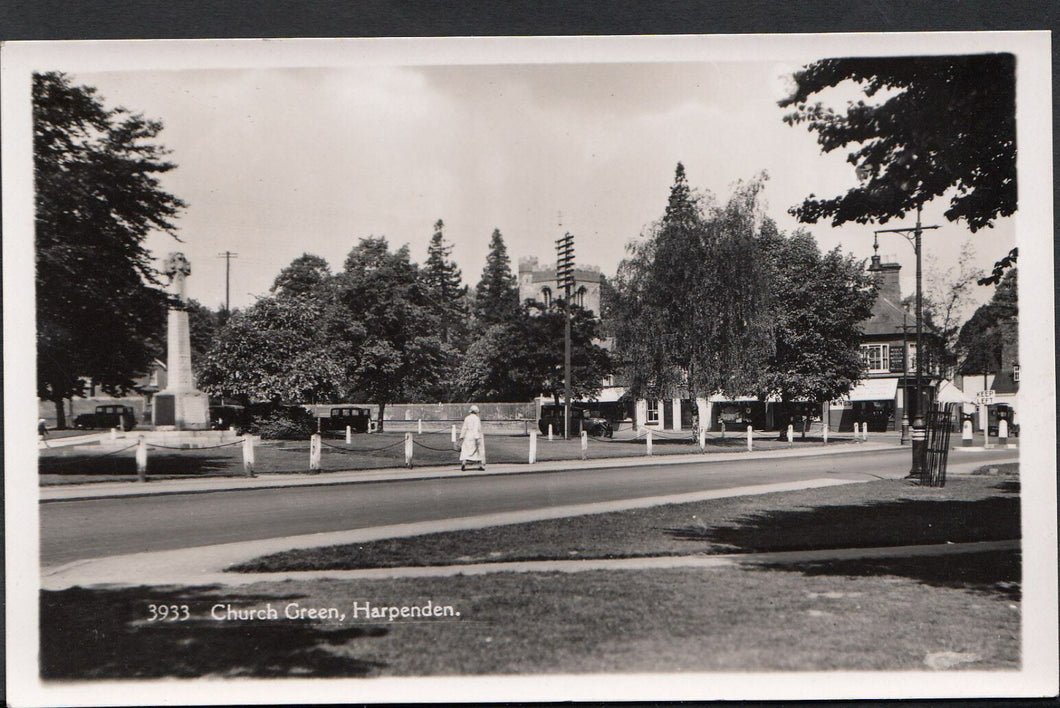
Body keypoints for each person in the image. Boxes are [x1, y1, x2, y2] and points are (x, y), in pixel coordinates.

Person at [459, 405, 485, 471]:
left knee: (466, 450)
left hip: (467, 436)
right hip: (474, 436)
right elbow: (476, 428)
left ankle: (464, 463)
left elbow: (464, 428)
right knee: (478, 450)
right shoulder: (477, 419)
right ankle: (481, 465)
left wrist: (461, 436)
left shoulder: (467, 418)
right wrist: (477, 438)